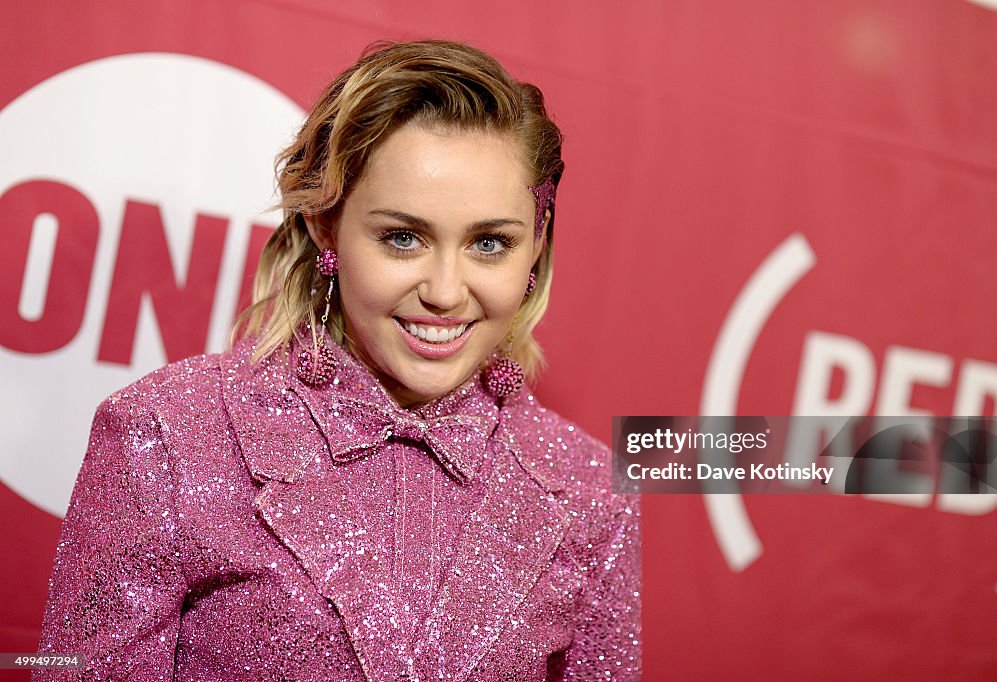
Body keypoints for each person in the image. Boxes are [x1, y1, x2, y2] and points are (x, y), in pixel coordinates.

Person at [35, 39, 641, 681]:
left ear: (536, 244)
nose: (444, 291)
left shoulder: (593, 489)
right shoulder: (168, 433)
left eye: (489, 243)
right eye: (402, 238)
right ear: (327, 225)